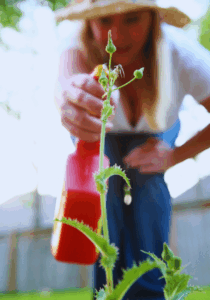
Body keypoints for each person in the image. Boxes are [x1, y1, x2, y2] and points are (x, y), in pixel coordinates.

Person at [54, 1, 210, 299]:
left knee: (148, 182)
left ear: (153, 20)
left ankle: (149, 289)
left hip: (156, 129)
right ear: (89, 24)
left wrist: (174, 156)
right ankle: (107, 290)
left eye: (132, 19)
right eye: (104, 21)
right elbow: (65, 84)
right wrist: (71, 100)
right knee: (103, 190)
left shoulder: (181, 53)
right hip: (99, 130)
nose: (117, 34)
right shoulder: (77, 47)